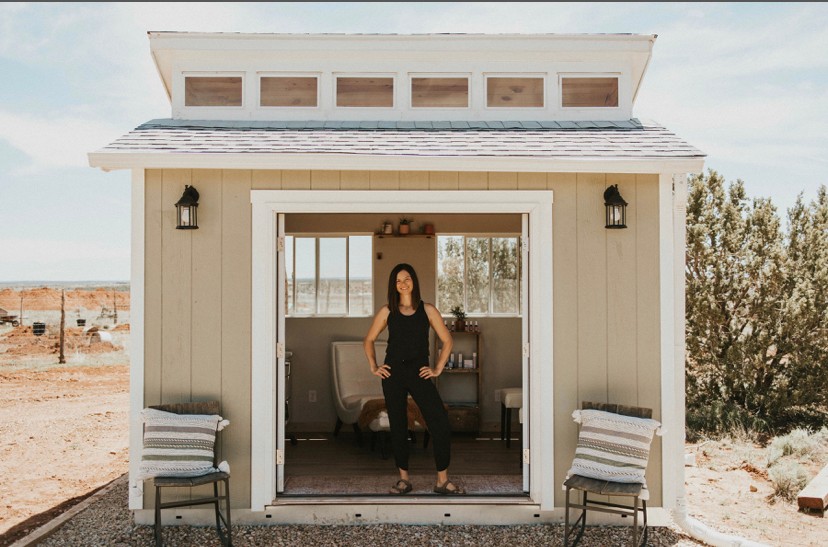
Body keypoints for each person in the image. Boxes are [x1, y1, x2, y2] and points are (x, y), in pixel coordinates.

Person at [363, 263, 465, 495]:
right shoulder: (387, 311)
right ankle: (404, 480)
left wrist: (437, 368)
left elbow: (447, 340)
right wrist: (374, 366)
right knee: (398, 425)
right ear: (394, 285)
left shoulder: (427, 310)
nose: (403, 283)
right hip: (393, 375)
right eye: (398, 280)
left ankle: (442, 481)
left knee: (439, 421)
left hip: (419, 373)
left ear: (414, 281)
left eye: (407, 278)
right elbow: (368, 339)